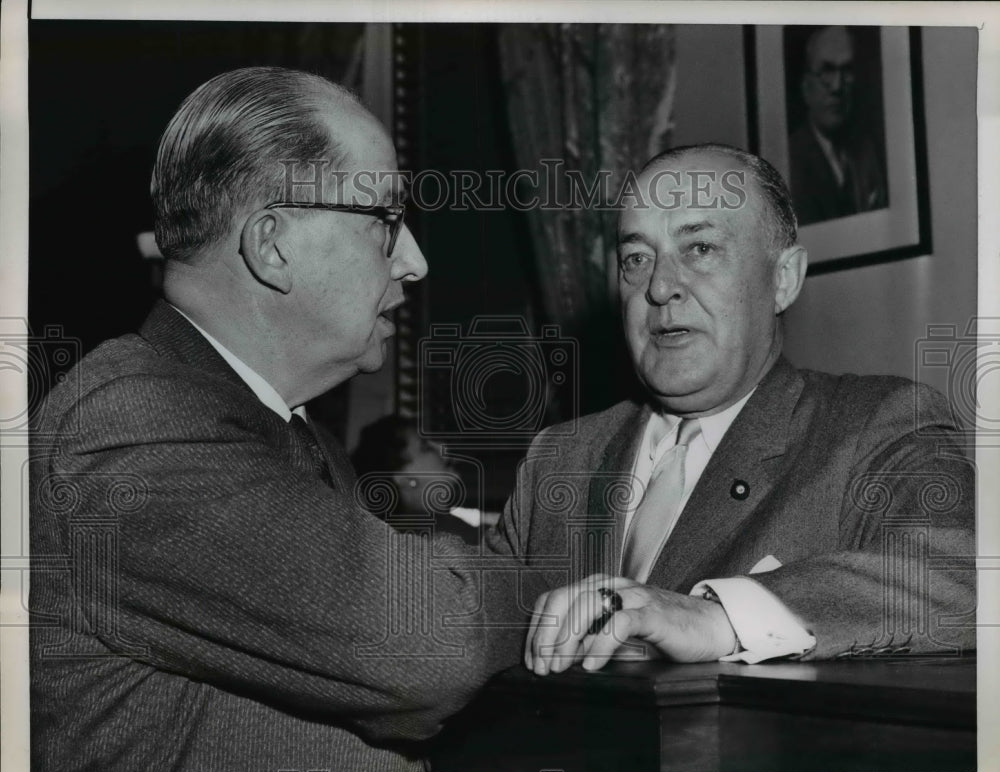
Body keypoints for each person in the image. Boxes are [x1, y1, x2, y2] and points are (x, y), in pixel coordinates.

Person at [29, 67, 540, 772]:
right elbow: (429, 643)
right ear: (272, 245)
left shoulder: (284, 428)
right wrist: (558, 586)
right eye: (386, 222)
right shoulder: (130, 423)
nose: (415, 262)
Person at [505, 143, 974, 673]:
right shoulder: (559, 457)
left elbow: (965, 574)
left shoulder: (878, 425)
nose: (659, 287)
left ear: (783, 279)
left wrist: (720, 617)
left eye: (700, 248)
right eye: (636, 258)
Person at [788, 26, 888, 225]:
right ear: (805, 84)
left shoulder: (869, 152)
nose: (837, 86)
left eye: (846, 70)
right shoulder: (790, 158)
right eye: (827, 71)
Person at [351, 415, 482, 546]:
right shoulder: (439, 536)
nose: (442, 448)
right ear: (404, 479)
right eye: (425, 447)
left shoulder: (431, 529)